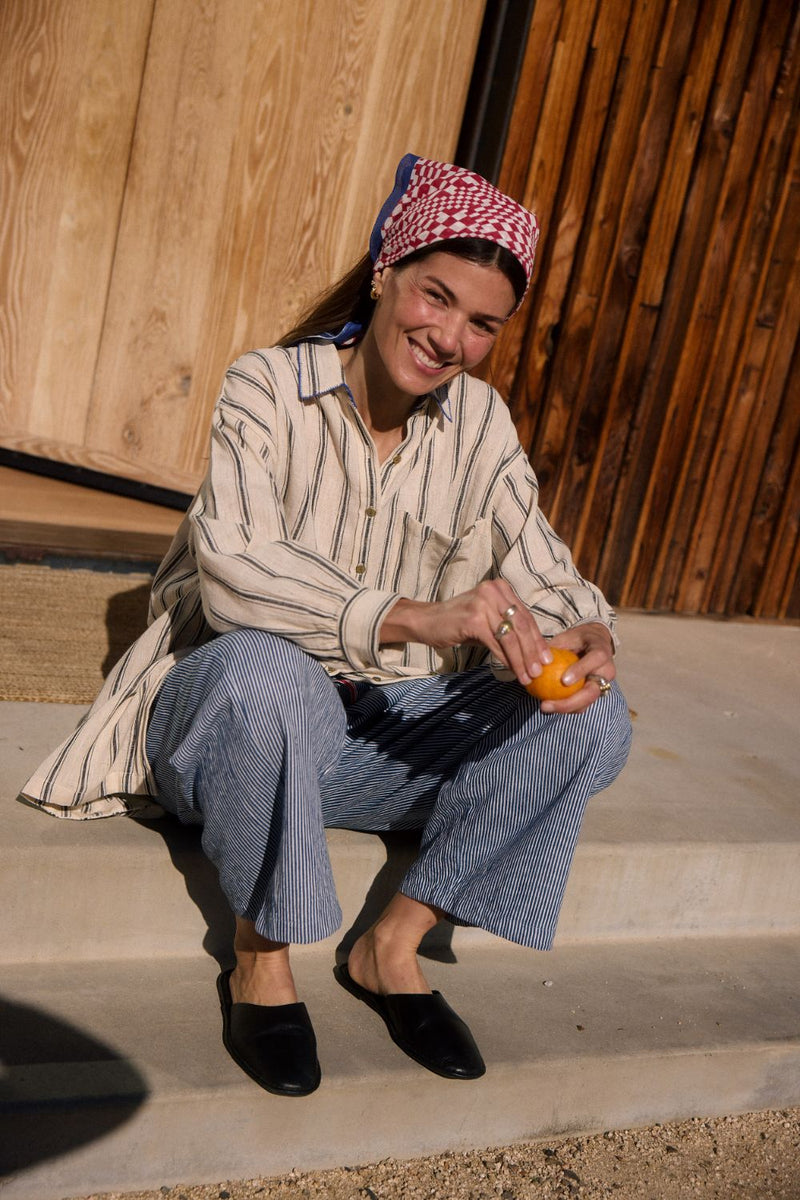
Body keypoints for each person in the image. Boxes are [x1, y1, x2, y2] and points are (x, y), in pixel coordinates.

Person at [21, 154, 632, 1096]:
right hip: (239, 732)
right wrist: (412, 616)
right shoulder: (266, 387)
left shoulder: (480, 422)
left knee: (596, 715)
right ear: (387, 272)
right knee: (266, 671)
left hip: (378, 743)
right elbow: (231, 575)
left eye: (483, 324)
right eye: (437, 297)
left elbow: (540, 557)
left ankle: (394, 943)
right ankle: (261, 956)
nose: (451, 338)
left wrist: (587, 630)